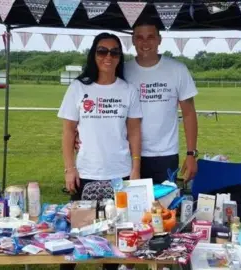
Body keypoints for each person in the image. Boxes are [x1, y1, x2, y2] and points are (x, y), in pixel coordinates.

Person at [76, 18, 199, 184]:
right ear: (133, 40)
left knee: (162, 206)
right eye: (139, 37)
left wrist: (191, 154)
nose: (145, 42)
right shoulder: (121, 70)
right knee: (129, 207)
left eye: (151, 37)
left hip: (164, 154)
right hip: (128, 155)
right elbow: (101, 102)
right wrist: (80, 133)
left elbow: (189, 113)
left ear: (159, 39)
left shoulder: (178, 70)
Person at [57, 32, 142, 270]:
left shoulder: (128, 90)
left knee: (113, 242)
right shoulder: (78, 88)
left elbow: (134, 132)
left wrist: (135, 169)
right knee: (77, 241)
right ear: (93, 55)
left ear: (119, 58)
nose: (108, 56)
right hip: (86, 173)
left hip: (120, 175)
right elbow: (68, 132)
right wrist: (69, 168)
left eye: (114, 52)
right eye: (102, 51)